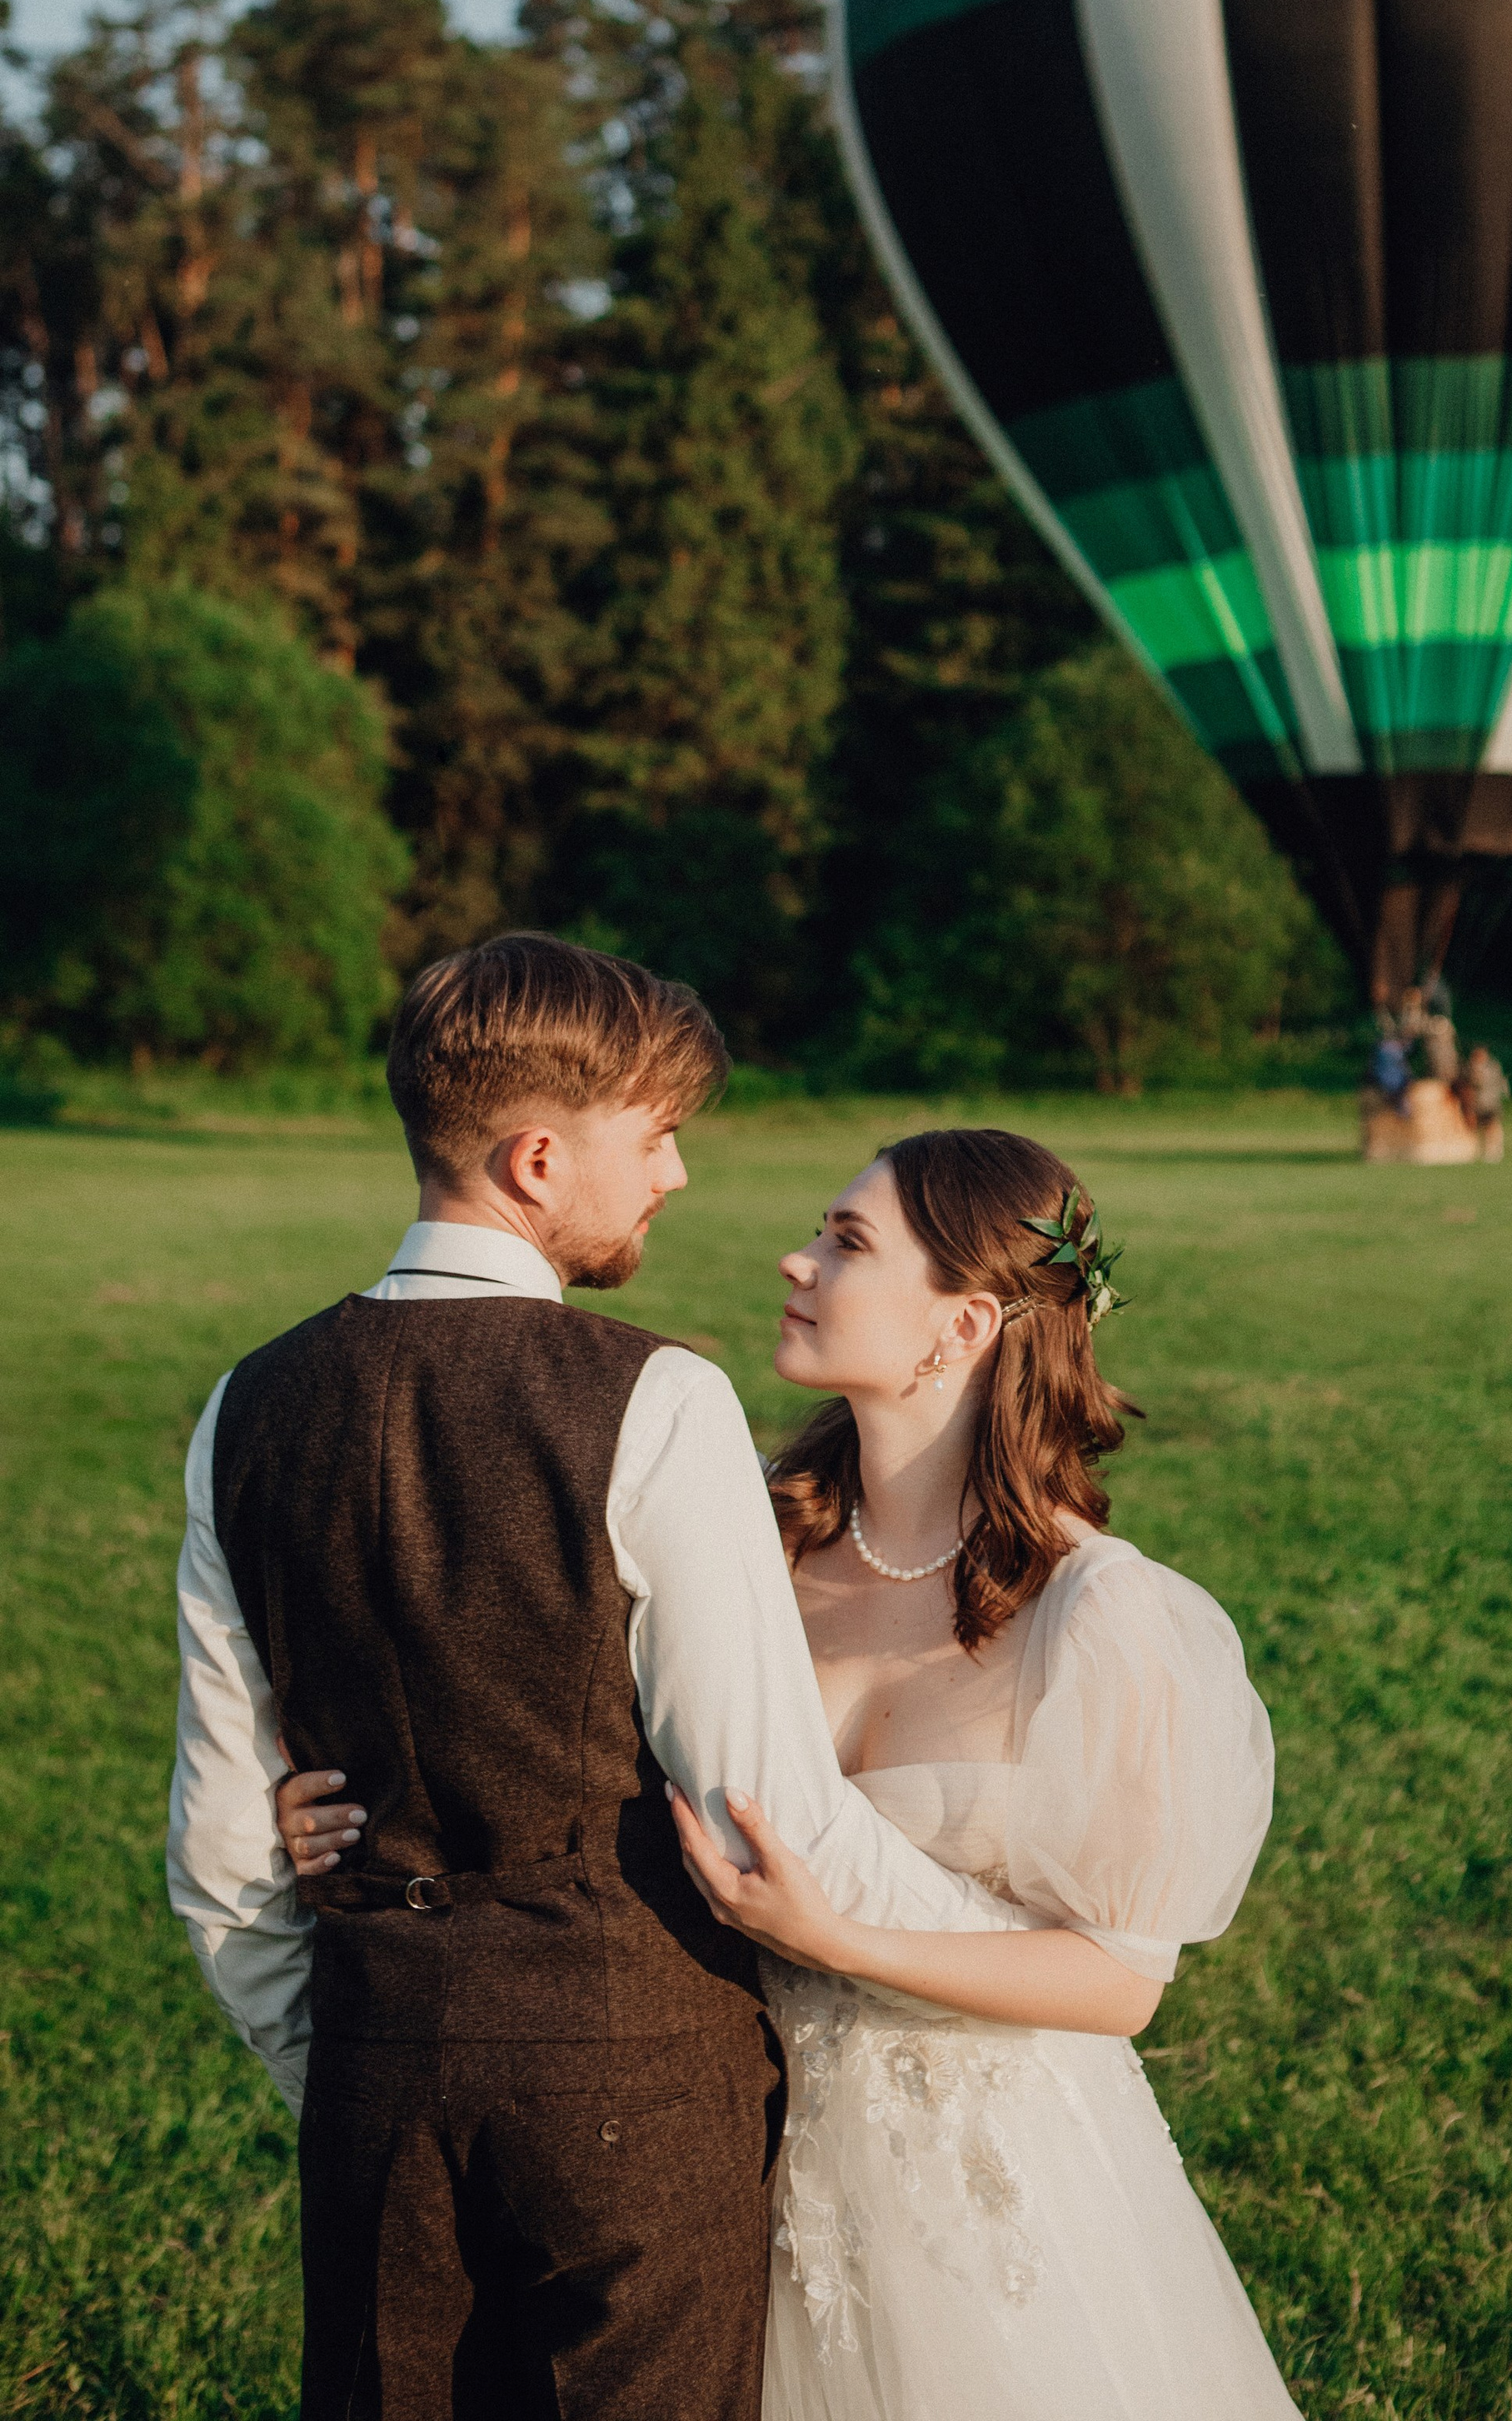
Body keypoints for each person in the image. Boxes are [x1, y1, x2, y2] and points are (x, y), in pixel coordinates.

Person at [277, 1126, 1298, 2421]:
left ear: (964, 1325)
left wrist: (838, 1935)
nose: (795, 1258)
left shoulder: (1102, 1618)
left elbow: (1118, 1981)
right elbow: (525, 1706)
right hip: (695, 2131)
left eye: (846, 1242)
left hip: (971, 2173)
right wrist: (338, 1801)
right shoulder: (743, 1536)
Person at [169, 936, 1039, 2421]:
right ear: (535, 1158)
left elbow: (221, 1852)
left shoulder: (242, 1405)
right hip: (638, 2079)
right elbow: (768, 1811)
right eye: (656, 1136)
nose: (678, 1177)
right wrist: (1023, 1980)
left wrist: (348, 2065)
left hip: (377, 2068)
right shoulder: (658, 1399)